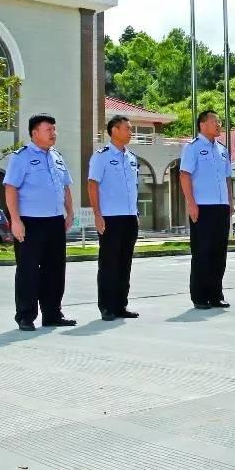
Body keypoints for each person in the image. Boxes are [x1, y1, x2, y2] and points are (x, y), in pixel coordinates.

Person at [4, 114, 76, 331]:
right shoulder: (21, 157)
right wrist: (15, 220)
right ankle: (26, 316)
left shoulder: (57, 157)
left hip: (55, 221)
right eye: (48, 130)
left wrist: (70, 213)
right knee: (28, 271)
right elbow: (10, 188)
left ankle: (52, 313)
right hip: (30, 222)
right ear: (34, 133)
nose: (53, 133)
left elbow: (65, 187)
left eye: (54, 129)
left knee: (55, 270)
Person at [87, 115, 142, 321]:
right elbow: (92, 185)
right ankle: (107, 307)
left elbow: (132, 189)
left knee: (125, 263)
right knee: (109, 263)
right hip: (110, 217)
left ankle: (121, 305)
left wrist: (135, 212)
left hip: (129, 217)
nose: (131, 132)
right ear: (114, 131)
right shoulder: (101, 156)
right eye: (127, 128)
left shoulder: (132, 157)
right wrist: (97, 214)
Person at [179, 110, 233, 309]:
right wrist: (191, 203)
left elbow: (227, 177)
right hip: (202, 207)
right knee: (202, 252)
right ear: (202, 125)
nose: (219, 125)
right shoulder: (192, 148)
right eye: (215, 121)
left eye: (219, 121)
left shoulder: (222, 149)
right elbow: (184, 176)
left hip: (221, 207)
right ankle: (200, 296)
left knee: (219, 252)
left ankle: (216, 294)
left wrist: (230, 201)